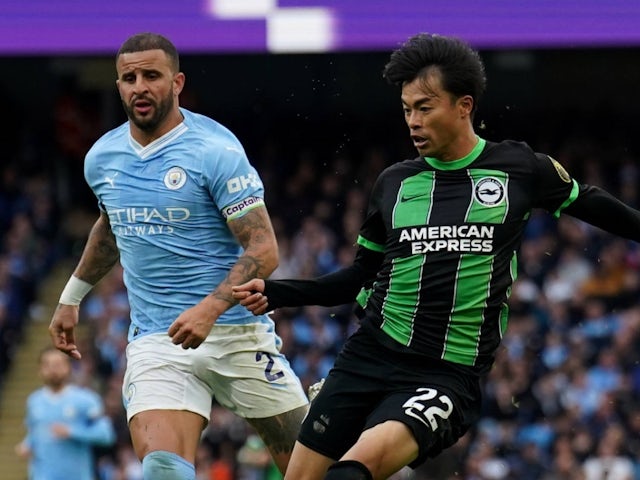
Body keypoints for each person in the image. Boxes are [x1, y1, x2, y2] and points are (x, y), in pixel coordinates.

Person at [232, 32, 640, 480]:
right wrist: (278, 291)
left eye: (425, 107)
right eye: (406, 109)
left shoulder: (520, 169)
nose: (413, 121)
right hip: (368, 356)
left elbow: (596, 204)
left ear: (463, 106)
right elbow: (358, 278)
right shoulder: (394, 184)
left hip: (444, 374)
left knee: (351, 472)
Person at [48, 32, 309, 479]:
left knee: (316, 471)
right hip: (158, 340)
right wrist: (71, 297)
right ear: (118, 87)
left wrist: (209, 309)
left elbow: (264, 250)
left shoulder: (215, 150)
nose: (140, 86)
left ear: (177, 82)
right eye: (129, 78)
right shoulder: (103, 157)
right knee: (163, 470)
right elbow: (112, 228)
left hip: (236, 334)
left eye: (152, 75)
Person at [15, 347, 116, 480]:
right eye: (47, 365)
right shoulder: (34, 401)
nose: (53, 370)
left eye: (57, 364)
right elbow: (35, 433)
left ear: (68, 367)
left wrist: (72, 431)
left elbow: (106, 435)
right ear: (40, 370)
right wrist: (27, 445)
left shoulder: (86, 400)